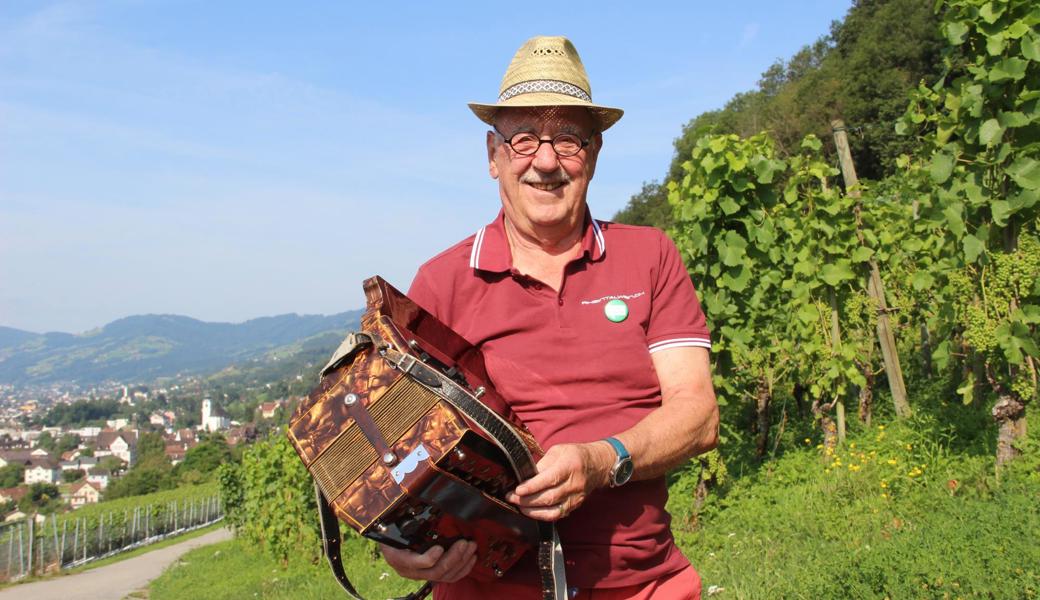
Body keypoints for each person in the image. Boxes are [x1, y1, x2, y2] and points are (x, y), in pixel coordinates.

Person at [381, 35, 719, 600]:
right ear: (492, 155)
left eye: (568, 139)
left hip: (645, 586)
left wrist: (600, 461)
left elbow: (698, 415)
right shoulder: (439, 284)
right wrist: (397, 540)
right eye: (523, 139)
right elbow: (397, 454)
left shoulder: (650, 255)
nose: (545, 161)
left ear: (595, 152)